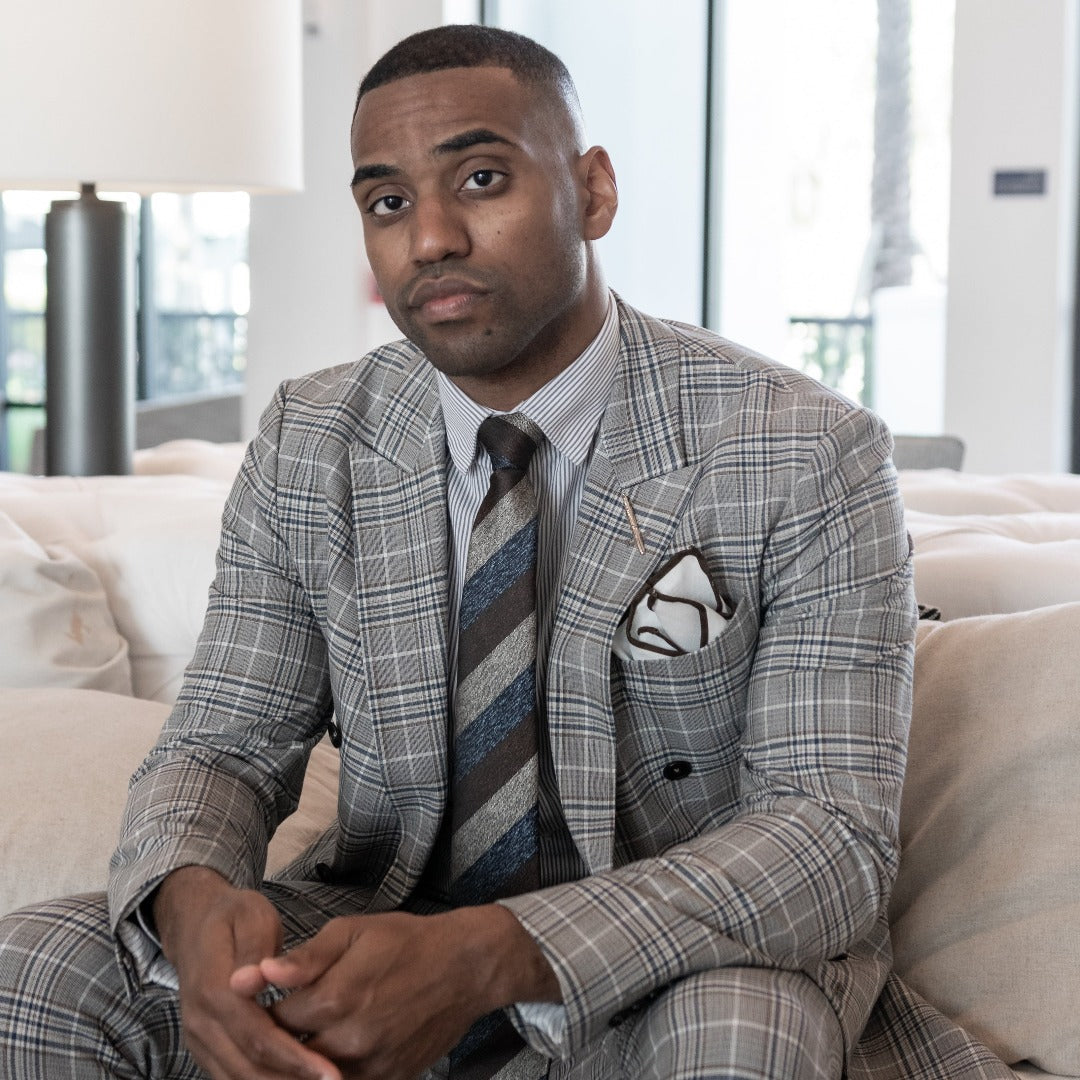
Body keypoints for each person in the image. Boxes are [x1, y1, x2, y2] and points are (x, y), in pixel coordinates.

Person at [0, 24, 1014, 1080]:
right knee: (34, 971)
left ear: (593, 191)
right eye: (388, 202)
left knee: (740, 1032)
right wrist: (194, 898)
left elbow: (829, 837)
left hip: (674, 960)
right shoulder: (312, 440)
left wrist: (493, 954)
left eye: (481, 179)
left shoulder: (804, 449)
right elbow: (223, 747)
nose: (430, 237)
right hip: (381, 927)